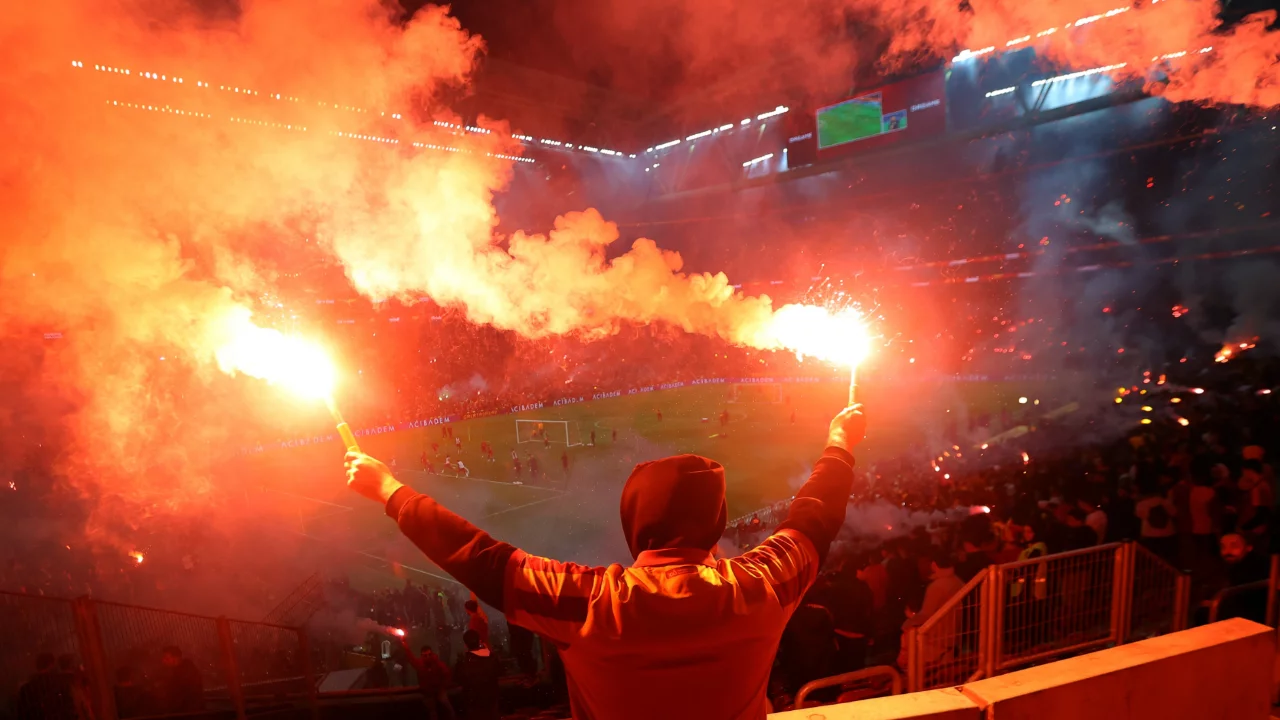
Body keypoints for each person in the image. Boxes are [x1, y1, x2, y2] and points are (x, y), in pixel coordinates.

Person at [345, 404, 865, 720]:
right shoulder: (761, 585)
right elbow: (814, 518)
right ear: (716, 520)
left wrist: (390, 490)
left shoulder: (591, 603)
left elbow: (483, 561)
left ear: (634, 520)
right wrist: (839, 443)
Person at [454, 630, 501, 720]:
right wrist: (488, 651)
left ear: (466, 645)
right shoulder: (491, 658)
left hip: (473, 701)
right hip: (491, 698)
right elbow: (499, 671)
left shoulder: (463, 663)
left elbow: (458, 679)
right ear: (479, 641)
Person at [16, 653, 75, 720]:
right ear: (51, 664)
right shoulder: (59, 683)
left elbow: (22, 714)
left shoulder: (26, 689)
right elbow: (69, 707)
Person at [403, 643, 453, 720]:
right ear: (422, 656)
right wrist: (404, 644)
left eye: (429, 655)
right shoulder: (420, 664)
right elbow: (410, 657)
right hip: (428, 693)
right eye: (425, 655)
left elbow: (447, 674)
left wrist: (443, 687)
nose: (428, 657)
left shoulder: (438, 664)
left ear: (432, 654)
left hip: (439, 690)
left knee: (447, 708)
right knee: (433, 712)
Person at [157, 645, 203, 714]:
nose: (163, 661)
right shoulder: (180, 670)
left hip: (188, 713)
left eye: (167, 658)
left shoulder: (185, 672)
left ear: (176, 658)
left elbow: (179, 696)